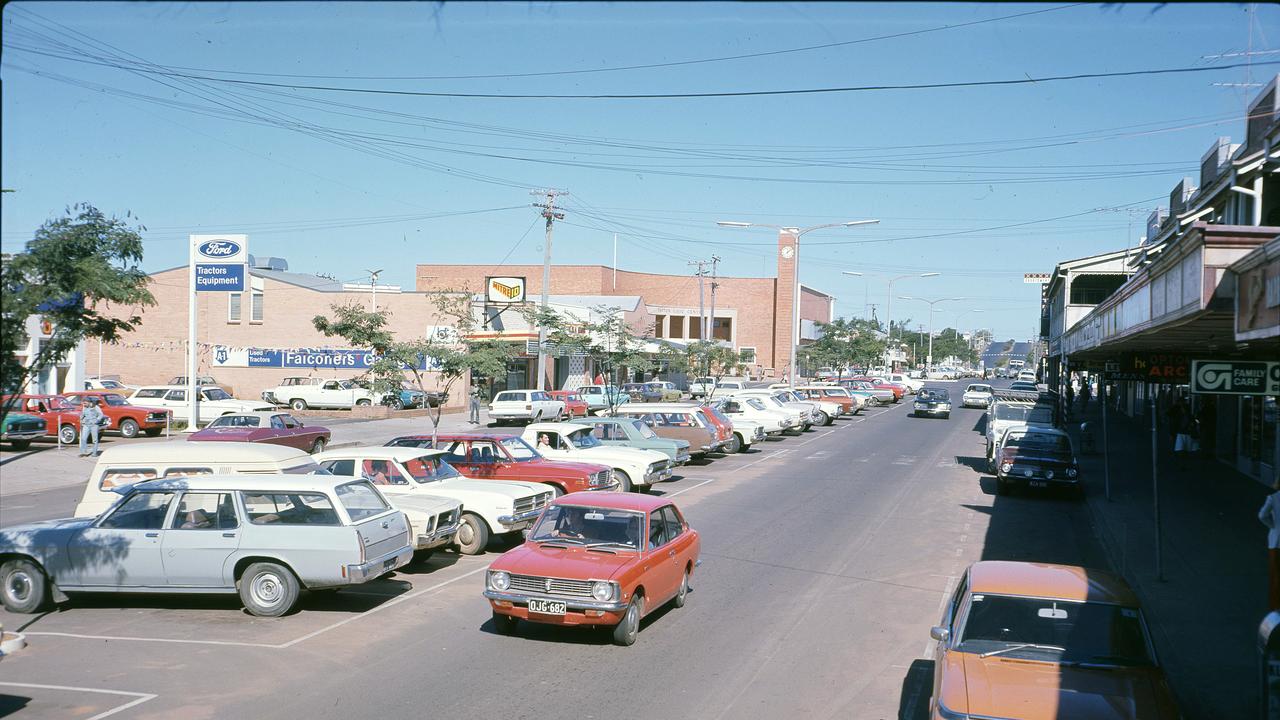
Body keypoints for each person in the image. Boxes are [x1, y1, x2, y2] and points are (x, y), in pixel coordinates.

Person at [1260, 480, 1280, 610]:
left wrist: (1273, 526)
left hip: (1276, 542)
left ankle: (1276, 609)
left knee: (1276, 576)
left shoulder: (1273, 498)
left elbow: (1262, 516)